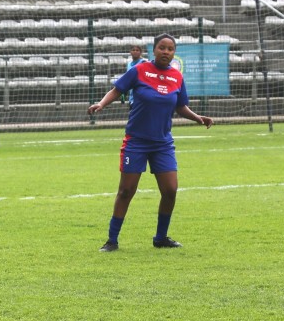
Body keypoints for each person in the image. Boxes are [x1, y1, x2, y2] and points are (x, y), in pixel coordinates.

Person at [88, 33, 212, 252]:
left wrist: (197, 118)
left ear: (174, 53)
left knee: (170, 190)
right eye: (162, 47)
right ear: (154, 49)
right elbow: (117, 90)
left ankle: (160, 238)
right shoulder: (139, 70)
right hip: (136, 142)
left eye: (170, 49)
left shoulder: (177, 76)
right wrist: (101, 104)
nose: (166, 52)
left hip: (162, 143)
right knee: (126, 191)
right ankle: (112, 240)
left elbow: (180, 106)